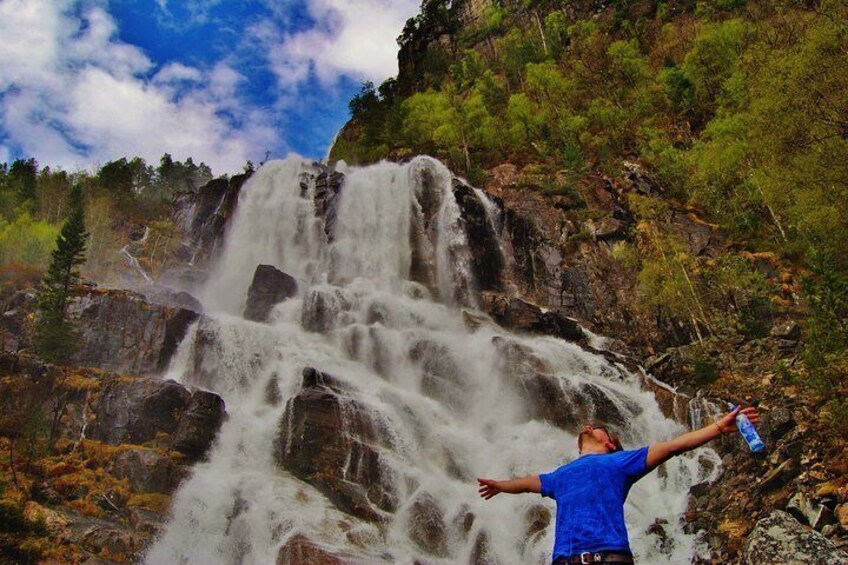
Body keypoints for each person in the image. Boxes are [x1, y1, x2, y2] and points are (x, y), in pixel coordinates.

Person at [477, 405, 760, 564]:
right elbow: (529, 483)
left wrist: (718, 428)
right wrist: (501, 485)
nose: (589, 426)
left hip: (610, 559)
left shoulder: (620, 462)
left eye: (598, 428)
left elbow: (673, 446)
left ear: (609, 443)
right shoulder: (561, 475)